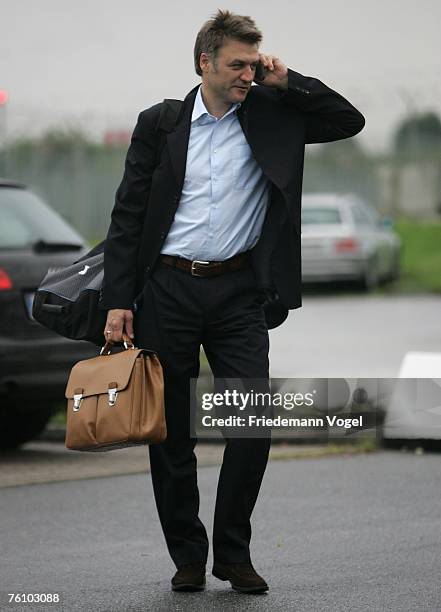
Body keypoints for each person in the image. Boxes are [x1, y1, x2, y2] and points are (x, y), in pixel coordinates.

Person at [100, 9, 365, 594]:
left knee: (250, 427)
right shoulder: (161, 124)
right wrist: (119, 299)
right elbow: (128, 215)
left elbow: (349, 119)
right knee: (170, 434)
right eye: (237, 64)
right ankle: (189, 557)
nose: (248, 72)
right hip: (166, 289)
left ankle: (234, 554)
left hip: (239, 292)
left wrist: (285, 79)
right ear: (204, 64)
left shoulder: (275, 114)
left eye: (254, 62)